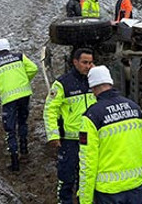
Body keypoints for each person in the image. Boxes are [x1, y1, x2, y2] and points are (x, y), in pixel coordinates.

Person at [78, 66, 142, 203]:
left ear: (93, 88)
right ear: (110, 82)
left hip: (108, 193)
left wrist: (85, 200)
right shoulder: (135, 108)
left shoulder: (91, 116)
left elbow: (88, 163)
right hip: (135, 187)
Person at [44, 49, 97, 204]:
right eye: (85, 62)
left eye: (90, 63)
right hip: (69, 141)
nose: (88, 66)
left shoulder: (95, 82)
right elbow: (50, 110)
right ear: (75, 62)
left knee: (87, 179)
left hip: (90, 141)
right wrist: (53, 135)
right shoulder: (62, 83)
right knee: (66, 178)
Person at [0, 38, 38, 172]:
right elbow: (34, 69)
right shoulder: (19, 57)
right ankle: (24, 151)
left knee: (10, 129)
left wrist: (0, 83)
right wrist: (25, 80)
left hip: (9, 100)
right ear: (8, 48)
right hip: (24, 95)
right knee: (22, 122)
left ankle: (14, 162)